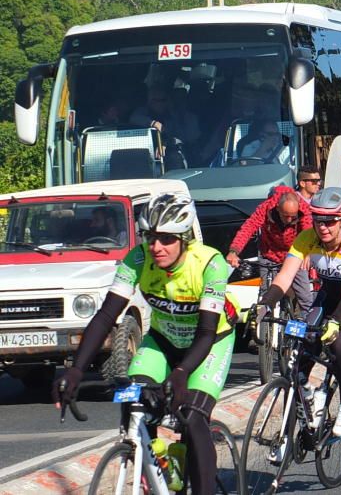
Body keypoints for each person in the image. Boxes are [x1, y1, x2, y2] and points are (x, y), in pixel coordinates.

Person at [53, 194, 236, 495]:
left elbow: (205, 332)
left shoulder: (209, 264)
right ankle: (156, 468)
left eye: (166, 239)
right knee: (134, 398)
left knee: (191, 416)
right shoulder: (137, 259)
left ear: (185, 239)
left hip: (209, 344)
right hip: (163, 340)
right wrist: (76, 369)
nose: (156, 247)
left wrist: (181, 372)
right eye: (151, 237)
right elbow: (105, 316)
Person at [257, 187, 341, 437]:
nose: (323, 227)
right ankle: (303, 403)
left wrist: (336, 322)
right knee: (303, 346)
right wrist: (263, 305)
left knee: (339, 344)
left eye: (330, 221)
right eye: (318, 220)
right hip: (327, 297)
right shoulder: (306, 239)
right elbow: (284, 277)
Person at [226, 187, 314, 315]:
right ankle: (261, 325)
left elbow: (308, 232)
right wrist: (234, 251)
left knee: (305, 297)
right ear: (278, 208)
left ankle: (309, 326)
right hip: (269, 253)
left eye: (292, 217)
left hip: (295, 254)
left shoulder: (304, 209)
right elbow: (248, 228)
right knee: (265, 294)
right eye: (285, 216)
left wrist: (308, 252)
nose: (289, 220)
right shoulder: (265, 208)